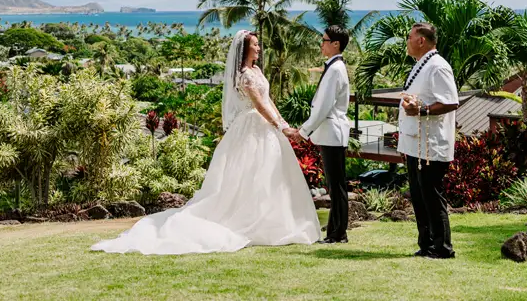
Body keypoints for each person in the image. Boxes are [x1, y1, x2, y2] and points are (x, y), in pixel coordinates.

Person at [91, 30, 320, 255]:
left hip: (266, 128)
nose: (259, 48)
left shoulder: (257, 70)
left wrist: (283, 122)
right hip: (251, 127)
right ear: (244, 48)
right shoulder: (245, 75)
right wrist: (280, 126)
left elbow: (269, 100)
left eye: (259, 45)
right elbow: (259, 105)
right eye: (255, 45)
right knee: (249, 174)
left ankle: (274, 221)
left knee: (269, 174)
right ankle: (248, 221)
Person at [398, 22, 460, 259]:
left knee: (431, 196)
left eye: (409, 37)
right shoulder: (421, 65)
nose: (407, 41)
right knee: (419, 196)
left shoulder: (438, 67)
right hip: (415, 143)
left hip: (431, 146)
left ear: (421, 40)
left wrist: (421, 109)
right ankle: (426, 245)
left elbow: (451, 101)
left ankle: (442, 247)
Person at [284, 25, 351, 244]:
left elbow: (323, 106)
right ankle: (336, 230)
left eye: (324, 40)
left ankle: (337, 233)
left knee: (336, 185)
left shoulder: (335, 69)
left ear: (335, 44)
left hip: (332, 132)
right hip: (331, 132)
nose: (321, 44)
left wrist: (303, 132)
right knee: (335, 185)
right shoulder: (334, 67)